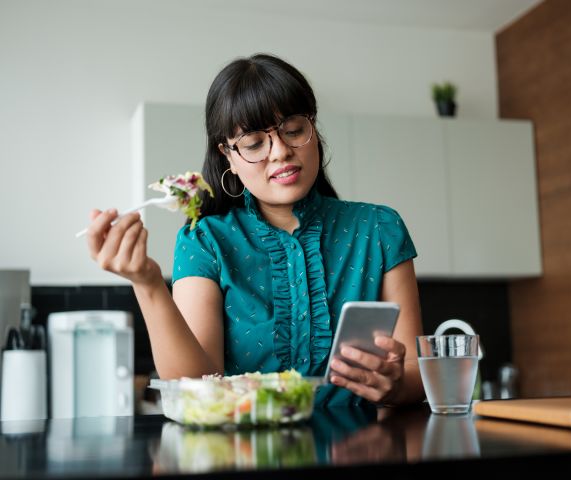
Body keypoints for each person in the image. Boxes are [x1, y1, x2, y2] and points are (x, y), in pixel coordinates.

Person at [85, 53, 424, 407]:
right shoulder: (205, 240)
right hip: (245, 458)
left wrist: (396, 384)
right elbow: (193, 386)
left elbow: (415, 370)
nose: (280, 152)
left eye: (294, 130)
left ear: (314, 130)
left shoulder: (380, 228)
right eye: (253, 143)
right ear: (227, 155)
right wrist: (147, 282)